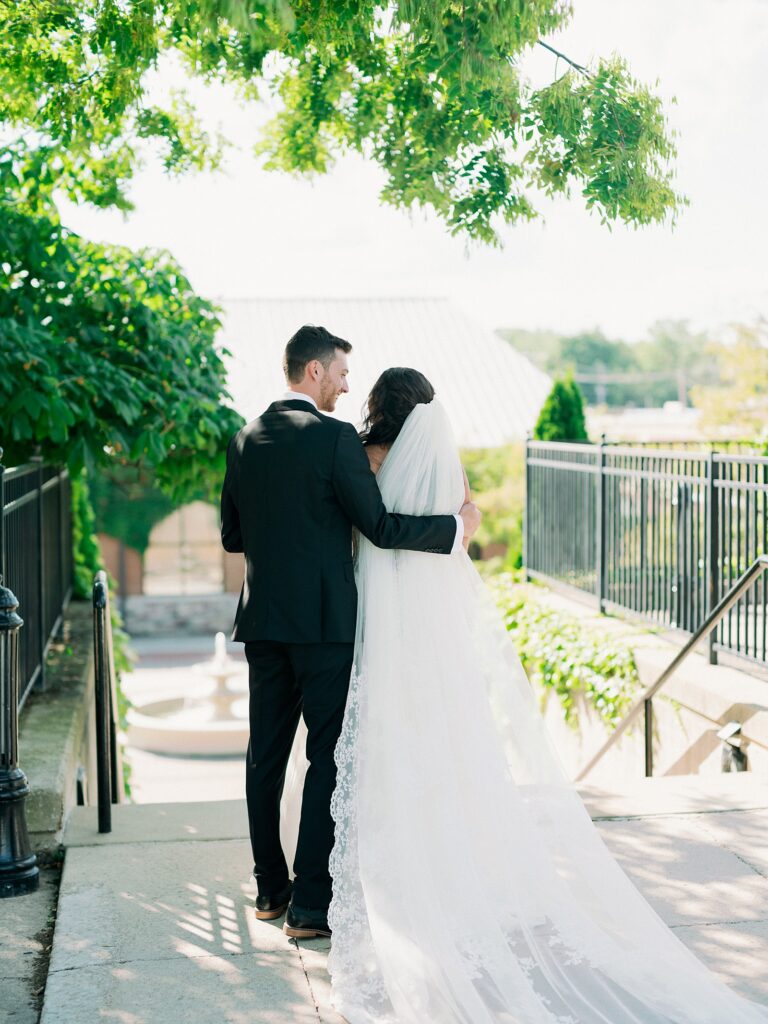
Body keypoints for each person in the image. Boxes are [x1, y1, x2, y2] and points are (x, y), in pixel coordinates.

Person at [305, 367, 768, 1024]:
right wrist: (459, 519)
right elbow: (464, 519)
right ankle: (447, 865)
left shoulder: (361, 454)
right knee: (443, 738)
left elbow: (359, 526)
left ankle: (395, 872)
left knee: (386, 740)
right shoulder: (439, 455)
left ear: (379, 403)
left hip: (380, 616)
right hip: (431, 621)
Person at [220, 327, 482, 940]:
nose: (344, 385)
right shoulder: (336, 439)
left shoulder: (243, 438)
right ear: (313, 371)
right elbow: (384, 528)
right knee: (326, 759)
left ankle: (267, 891)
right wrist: (452, 528)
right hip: (326, 626)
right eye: (339, 372)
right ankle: (310, 906)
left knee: (265, 756)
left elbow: (235, 537)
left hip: (263, 623)